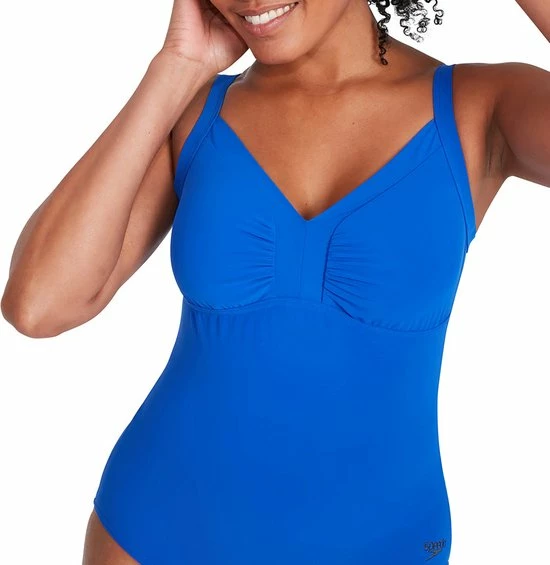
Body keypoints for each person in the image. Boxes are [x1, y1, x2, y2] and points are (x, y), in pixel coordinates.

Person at [2, 0, 549, 563]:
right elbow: (39, 305)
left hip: (383, 544)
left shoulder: (480, 109)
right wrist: (176, 68)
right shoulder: (198, 111)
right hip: (156, 531)